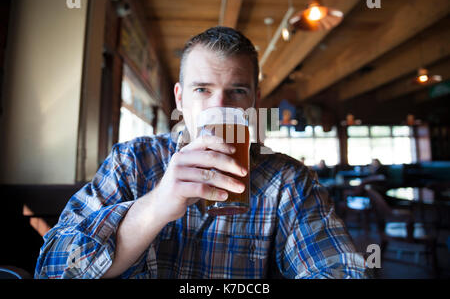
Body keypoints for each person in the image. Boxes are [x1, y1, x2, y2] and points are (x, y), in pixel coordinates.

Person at [35, 27, 367, 279]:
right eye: (202, 90)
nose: (219, 107)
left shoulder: (288, 180)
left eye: (236, 91)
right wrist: (154, 207)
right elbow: (53, 266)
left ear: (254, 101)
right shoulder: (132, 161)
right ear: (180, 98)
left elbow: (342, 269)